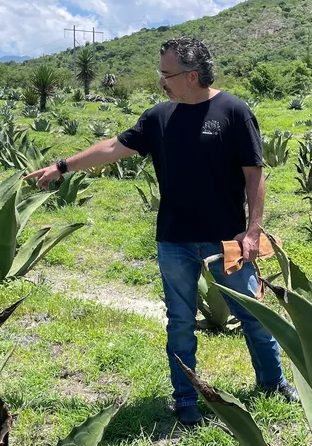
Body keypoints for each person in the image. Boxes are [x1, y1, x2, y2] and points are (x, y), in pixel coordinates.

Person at [25, 37, 297, 426]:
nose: (161, 82)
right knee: (180, 322)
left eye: (166, 75)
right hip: (174, 240)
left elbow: (254, 175)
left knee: (252, 315)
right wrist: (62, 166)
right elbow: (111, 148)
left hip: (227, 241)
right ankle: (185, 398)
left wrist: (252, 232)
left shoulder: (234, 111)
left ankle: (273, 384)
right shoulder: (158, 117)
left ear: (191, 75)